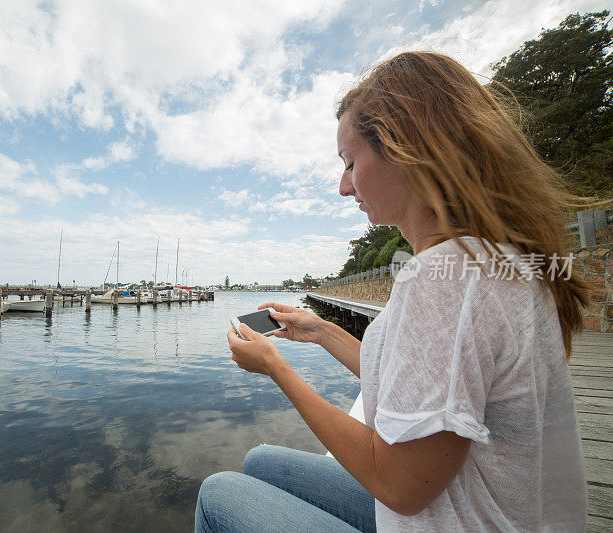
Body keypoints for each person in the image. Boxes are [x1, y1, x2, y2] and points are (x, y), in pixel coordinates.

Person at [195, 51, 601, 532]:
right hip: (481, 508)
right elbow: (427, 382)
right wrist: (323, 331)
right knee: (263, 463)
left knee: (218, 492)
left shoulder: (443, 280)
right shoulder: (488, 259)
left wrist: (276, 369)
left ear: (408, 150)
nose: (345, 187)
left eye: (350, 162)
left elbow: (401, 486)